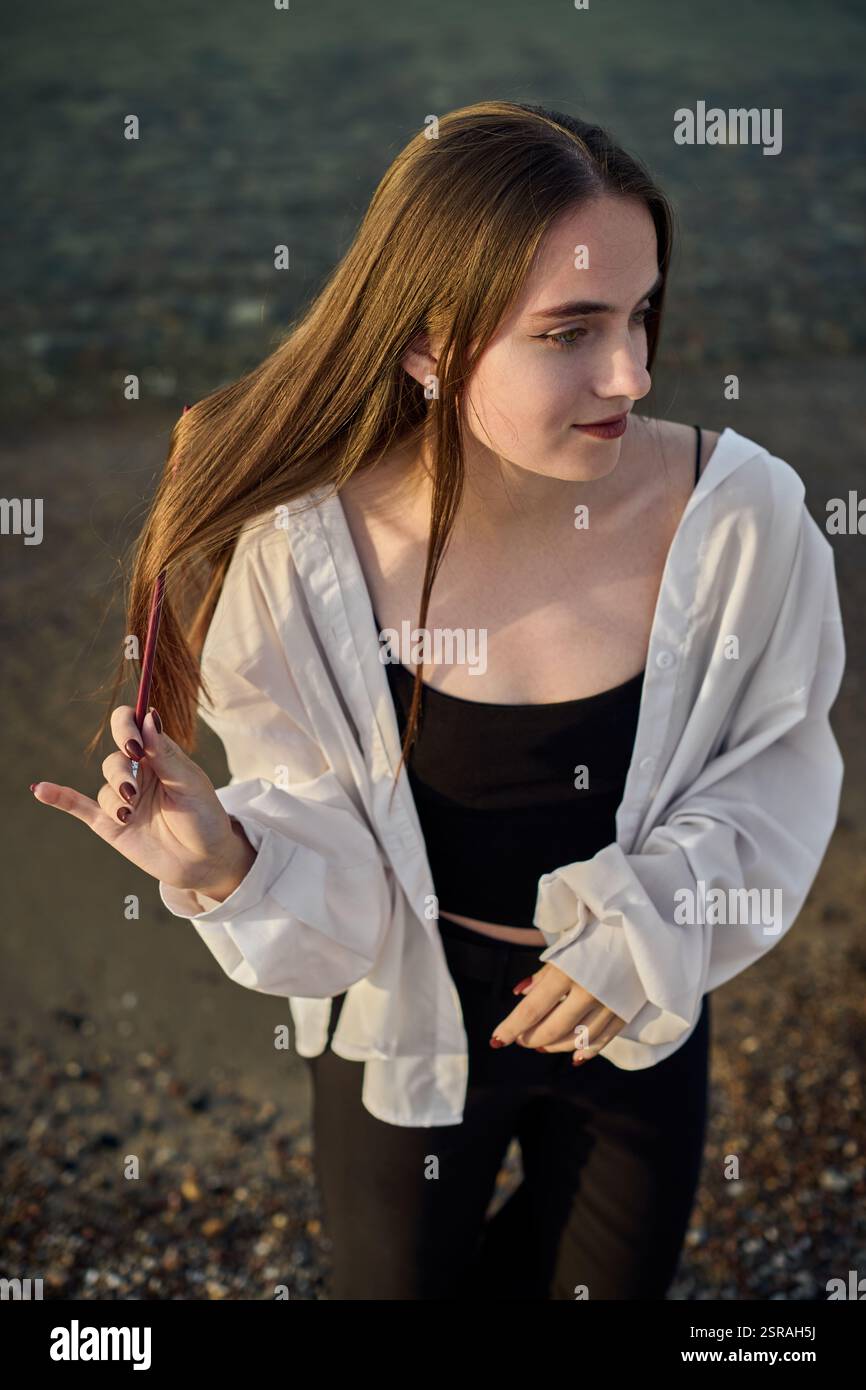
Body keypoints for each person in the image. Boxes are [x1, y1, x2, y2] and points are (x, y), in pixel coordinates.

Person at [31, 101, 845, 1300]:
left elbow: (776, 772)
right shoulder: (302, 557)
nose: (631, 371)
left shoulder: (742, 516)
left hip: (638, 1003)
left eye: (640, 314)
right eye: (568, 331)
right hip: (400, 1011)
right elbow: (339, 899)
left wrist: (642, 926)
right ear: (424, 346)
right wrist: (226, 863)